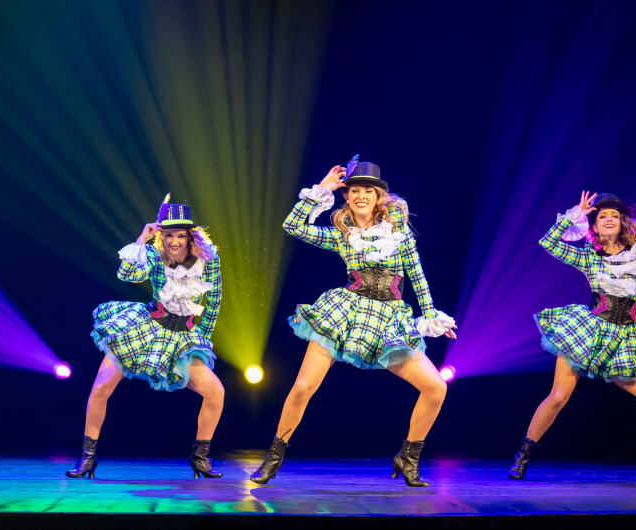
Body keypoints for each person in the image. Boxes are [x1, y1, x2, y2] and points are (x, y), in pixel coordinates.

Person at [250, 156, 456, 487]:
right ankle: (273, 458)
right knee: (303, 387)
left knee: (435, 387)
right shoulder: (341, 236)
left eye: (368, 191)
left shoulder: (399, 235)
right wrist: (321, 190)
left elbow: (417, 276)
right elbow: (292, 226)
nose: (361, 195)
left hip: (389, 319)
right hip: (345, 313)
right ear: (347, 197)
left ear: (378, 199)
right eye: (355, 190)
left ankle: (408, 457)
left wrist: (431, 315)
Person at [508, 192, 636, 482]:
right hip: (587, 333)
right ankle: (522, 455)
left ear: (623, 222)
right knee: (558, 396)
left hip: (626, 339)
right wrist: (575, 214)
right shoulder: (588, 256)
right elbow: (547, 243)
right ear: (595, 227)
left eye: (615, 215)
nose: (610, 219)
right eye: (603, 216)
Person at [66, 196, 225, 479]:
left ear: (190, 236)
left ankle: (200, 457)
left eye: (179, 235)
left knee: (216, 392)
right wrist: (142, 238)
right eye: (168, 235)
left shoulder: (208, 259)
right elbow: (126, 274)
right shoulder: (153, 255)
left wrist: (204, 340)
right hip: (144, 329)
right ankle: (87, 458)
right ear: (161, 235)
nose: (174, 242)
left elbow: (214, 300)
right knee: (100, 388)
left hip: (182, 339)